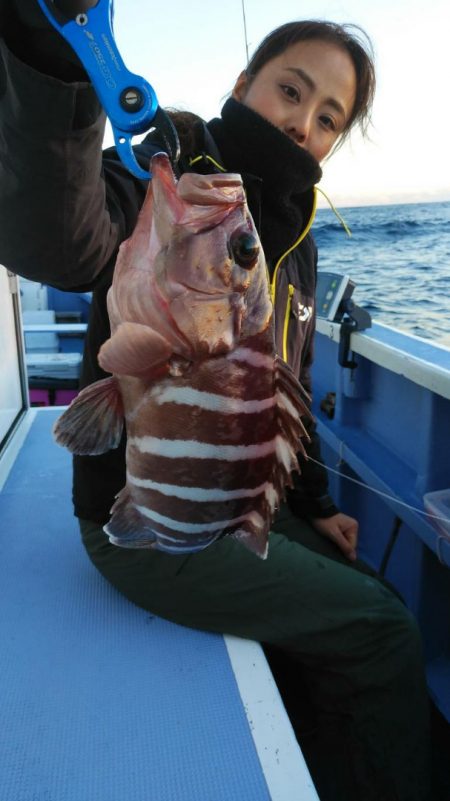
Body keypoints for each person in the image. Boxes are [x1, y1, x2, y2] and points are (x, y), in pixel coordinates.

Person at [0, 6, 432, 800]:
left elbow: (276, 398)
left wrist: (316, 504)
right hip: (143, 528)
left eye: (329, 116)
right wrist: (50, 58)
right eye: (291, 90)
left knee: (369, 583)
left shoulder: (294, 237)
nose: (304, 122)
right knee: (384, 628)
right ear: (244, 84)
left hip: (231, 504)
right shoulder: (171, 160)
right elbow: (56, 237)